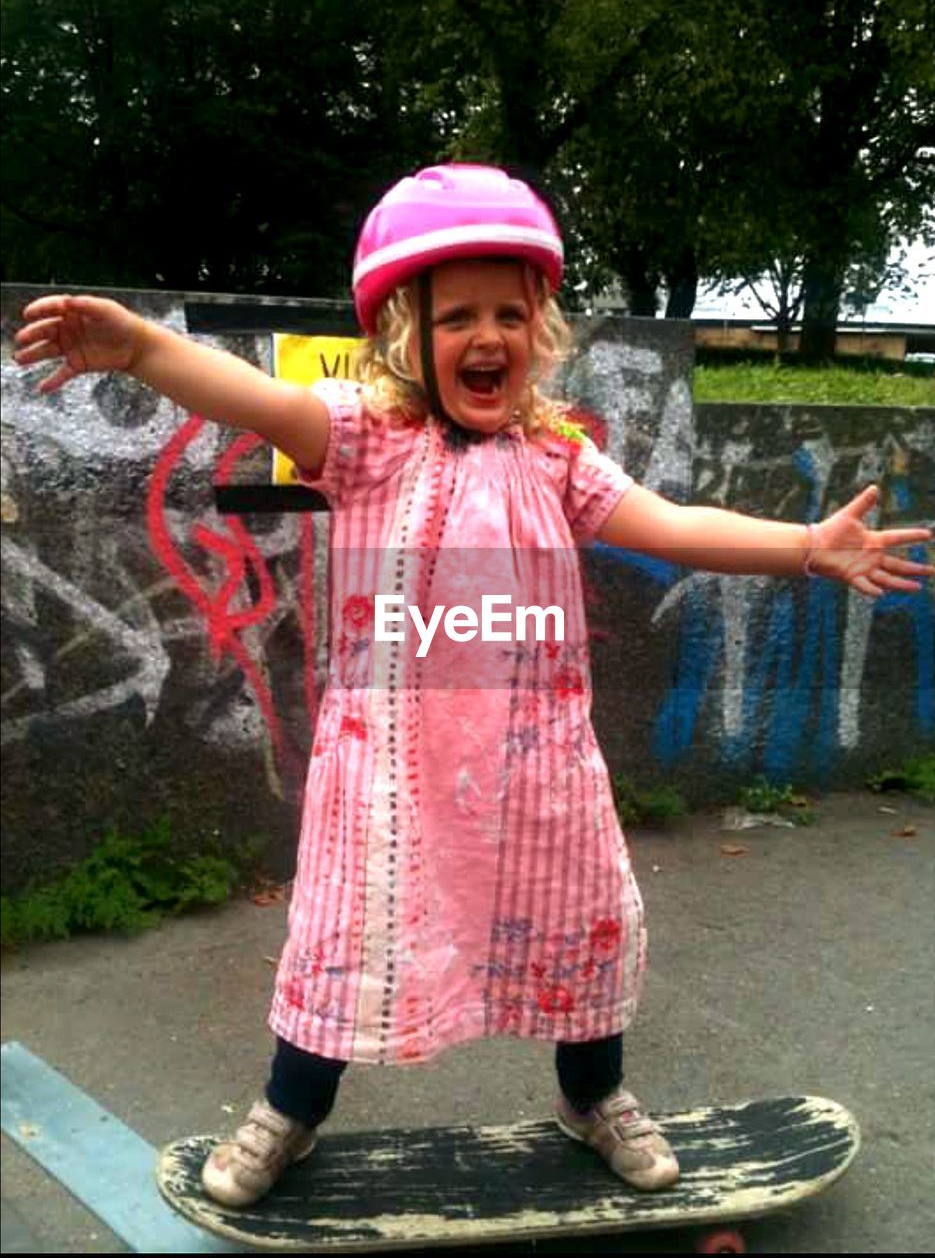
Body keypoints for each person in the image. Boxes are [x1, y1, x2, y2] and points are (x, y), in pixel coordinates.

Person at [15, 164, 932, 1208]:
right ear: (409, 332)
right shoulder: (363, 440)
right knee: (347, 934)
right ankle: (290, 1108)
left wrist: (808, 544)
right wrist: (142, 349)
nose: (485, 334)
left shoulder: (556, 458)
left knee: (581, 919)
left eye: (508, 311)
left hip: (537, 767)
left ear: (537, 332)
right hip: (391, 779)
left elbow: (672, 526)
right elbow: (257, 398)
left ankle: (593, 1096)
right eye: (457, 316)